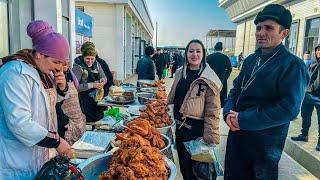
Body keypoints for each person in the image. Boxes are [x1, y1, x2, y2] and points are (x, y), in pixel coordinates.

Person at [223, 4, 310, 179]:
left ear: (284, 33)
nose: (261, 33)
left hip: (263, 148)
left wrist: (243, 119)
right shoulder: (251, 60)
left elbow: (288, 109)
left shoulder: (293, 65)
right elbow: (235, 90)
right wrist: (227, 113)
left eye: (269, 28)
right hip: (236, 140)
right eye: (259, 28)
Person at [0, 20, 73, 179]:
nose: (59, 68)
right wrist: (57, 141)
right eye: (56, 62)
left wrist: (62, 89)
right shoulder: (15, 73)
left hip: (39, 155)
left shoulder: (42, 71)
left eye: (62, 63)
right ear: (39, 53)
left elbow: (46, 106)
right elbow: (20, 122)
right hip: (16, 160)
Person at [167, 39, 222, 180]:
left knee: (197, 173)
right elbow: (173, 96)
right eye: (191, 51)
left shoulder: (209, 78)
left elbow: (213, 110)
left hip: (197, 133)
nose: (194, 54)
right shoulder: (180, 73)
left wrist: (210, 138)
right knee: (184, 167)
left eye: (198, 51)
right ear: (186, 53)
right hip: (180, 129)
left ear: (204, 54)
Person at [291, 44, 320, 151]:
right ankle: (304, 135)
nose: (318, 52)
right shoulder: (312, 63)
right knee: (305, 116)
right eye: (317, 50)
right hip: (308, 95)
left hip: (318, 97)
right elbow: (306, 76)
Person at [73, 43, 107, 122]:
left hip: (95, 98)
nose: (90, 61)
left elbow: (104, 77)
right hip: (83, 100)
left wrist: (103, 81)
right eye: (87, 58)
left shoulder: (97, 64)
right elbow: (75, 88)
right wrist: (92, 85)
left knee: (100, 117)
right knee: (91, 119)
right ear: (83, 57)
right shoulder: (77, 67)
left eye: (92, 58)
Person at [56, 62, 86, 145]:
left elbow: (77, 95)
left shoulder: (69, 74)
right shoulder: (55, 77)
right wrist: (63, 121)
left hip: (78, 120)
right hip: (67, 124)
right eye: (62, 60)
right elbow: (55, 103)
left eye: (67, 60)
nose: (66, 62)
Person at [206, 42, 232, 107]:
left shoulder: (209, 57)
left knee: (210, 99)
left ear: (215, 48)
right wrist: (225, 77)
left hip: (211, 81)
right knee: (221, 100)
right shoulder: (226, 58)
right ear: (222, 48)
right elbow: (230, 69)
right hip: (222, 81)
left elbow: (204, 69)